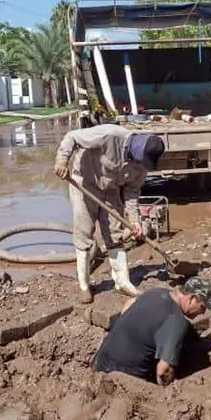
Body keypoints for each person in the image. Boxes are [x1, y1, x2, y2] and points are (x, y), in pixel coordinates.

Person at [54, 124, 166, 303]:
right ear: (135, 151)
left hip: (111, 190)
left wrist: (135, 220)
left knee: (115, 234)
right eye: (140, 161)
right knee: (84, 233)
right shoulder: (109, 135)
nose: (140, 166)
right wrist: (62, 160)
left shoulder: (142, 166)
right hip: (85, 184)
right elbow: (72, 137)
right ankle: (84, 285)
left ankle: (122, 282)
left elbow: (131, 192)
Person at [92, 277, 211, 386]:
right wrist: (168, 392)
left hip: (99, 362)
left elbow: (128, 304)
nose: (203, 313)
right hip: (120, 380)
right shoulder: (177, 322)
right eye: (202, 307)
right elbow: (163, 371)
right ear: (192, 298)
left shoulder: (156, 292)